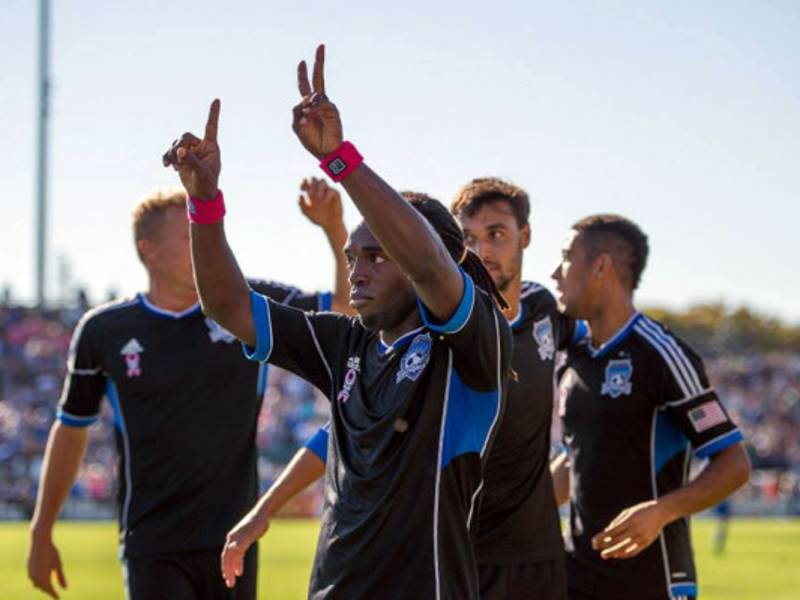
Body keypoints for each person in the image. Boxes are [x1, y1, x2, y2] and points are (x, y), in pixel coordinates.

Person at [162, 44, 512, 599]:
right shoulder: (344, 344)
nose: (356, 271)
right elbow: (227, 307)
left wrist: (340, 160)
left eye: (375, 256)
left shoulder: (471, 346)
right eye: (352, 258)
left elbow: (428, 263)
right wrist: (205, 204)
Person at [228, 177, 586, 599]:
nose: (484, 249)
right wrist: (265, 508)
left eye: (496, 235)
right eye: (470, 237)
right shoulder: (431, 340)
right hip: (455, 548)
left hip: (531, 549)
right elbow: (343, 431)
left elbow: (607, 360)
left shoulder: (547, 312)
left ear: (523, 237)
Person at [26, 182, 349, 600]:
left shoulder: (245, 303)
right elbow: (71, 429)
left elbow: (346, 306)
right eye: (188, 235)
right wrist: (41, 530)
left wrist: (333, 228)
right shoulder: (104, 330)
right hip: (152, 543)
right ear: (150, 250)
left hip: (237, 535)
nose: (203, 243)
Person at [549, 214, 751, 600]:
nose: (555, 272)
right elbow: (577, 458)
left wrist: (662, 510)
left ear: (601, 267)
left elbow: (734, 463)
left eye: (566, 257)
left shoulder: (661, 355)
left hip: (652, 580)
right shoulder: (572, 358)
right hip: (576, 578)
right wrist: (519, 512)